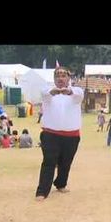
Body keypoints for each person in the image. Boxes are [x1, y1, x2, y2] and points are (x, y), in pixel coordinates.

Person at [35, 67, 84, 202]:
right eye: (57, 75)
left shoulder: (77, 91)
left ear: (69, 78)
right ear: (54, 78)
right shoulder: (47, 91)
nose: (60, 78)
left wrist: (68, 91)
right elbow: (45, 95)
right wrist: (54, 92)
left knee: (66, 162)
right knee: (49, 162)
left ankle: (61, 183)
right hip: (51, 134)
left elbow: (78, 95)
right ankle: (42, 191)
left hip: (71, 135)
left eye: (63, 75)